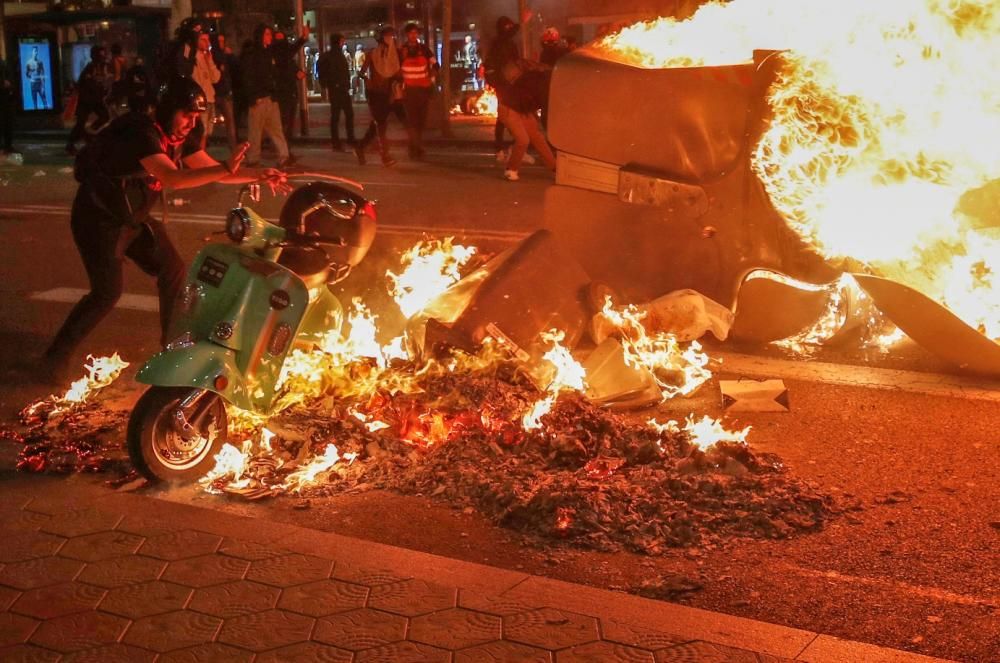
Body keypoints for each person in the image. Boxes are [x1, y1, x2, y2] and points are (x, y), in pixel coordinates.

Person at [39, 78, 288, 383]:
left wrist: (258, 175)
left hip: (131, 219)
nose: (191, 123)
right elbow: (171, 177)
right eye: (186, 115)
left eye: (196, 117)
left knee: (172, 269)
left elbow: (211, 169)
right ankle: (54, 359)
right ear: (169, 109)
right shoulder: (141, 132)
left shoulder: (178, 136)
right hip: (97, 219)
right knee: (106, 292)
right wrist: (226, 168)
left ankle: (172, 349)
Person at [484, 16, 556, 181]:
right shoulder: (499, 48)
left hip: (521, 104)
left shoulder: (531, 78)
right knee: (523, 139)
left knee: (536, 136)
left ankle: (555, 167)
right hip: (509, 105)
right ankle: (511, 168)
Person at [241, 24, 292, 167]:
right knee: (255, 132)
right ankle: (253, 158)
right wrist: (253, 96)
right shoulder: (252, 54)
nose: (270, 37)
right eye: (267, 34)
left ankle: (284, 156)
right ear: (260, 36)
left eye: (270, 34)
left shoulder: (270, 53)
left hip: (271, 97)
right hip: (259, 98)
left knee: (276, 129)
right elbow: (248, 76)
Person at [355, 26, 405, 167]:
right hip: (377, 94)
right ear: (381, 39)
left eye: (391, 36)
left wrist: (398, 81)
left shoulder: (396, 54)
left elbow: (399, 72)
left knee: (380, 124)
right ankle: (385, 155)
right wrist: (368, 80)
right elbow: (362, 72)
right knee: (380, 125)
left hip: (391, 93)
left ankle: (361, 147)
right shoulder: (372, 54)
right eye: (387, 36)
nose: (390, 39)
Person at [399, 23, 437, 160]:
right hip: (409, 91)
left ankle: (416, 146)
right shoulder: (402, 51)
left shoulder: (425, 50)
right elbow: (396, 69)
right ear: (407, 35)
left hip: (423, 90)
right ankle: (415, 148)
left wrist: (431, 78)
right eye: (411, 33)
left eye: (415, 33)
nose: (413, 35)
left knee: (421, 122)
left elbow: (435, 64)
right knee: (412, 121)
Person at [67, 45, 113, 155]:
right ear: (94, 56)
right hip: (86, 100)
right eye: (99, 55)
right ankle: (72, 144)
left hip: (96, 99)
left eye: (103, 54)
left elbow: (105, 81)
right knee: (80, 123)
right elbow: (85, 83)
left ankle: (88, 134)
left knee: (105, 116)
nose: (102, 57)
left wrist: (105, 90)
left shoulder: (103, 67)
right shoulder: (90, 67)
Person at [317, 34, 355, 151]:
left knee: (338, 116)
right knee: (342, 115)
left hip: (337, 88)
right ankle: (345, 140)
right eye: (342, 40)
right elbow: (340, 72)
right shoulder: (335, 55)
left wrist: (327, 84)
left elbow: (322, 71)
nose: (343, 42)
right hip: (339, 89)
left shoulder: (331, 55)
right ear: (338, 41)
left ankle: (339, 141)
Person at [272, 26, 309, 139]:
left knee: (289, 118)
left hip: (290, 90)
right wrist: (303, 38)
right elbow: (291, 51)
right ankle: (283, 145)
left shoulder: (287, 57)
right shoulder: (275, 55)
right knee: (284, 119)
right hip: (281, 91)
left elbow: (291, 64)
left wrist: (297, 73)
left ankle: (286, 144)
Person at [191, 31, 221, 151]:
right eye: (203, 40)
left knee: (207, 132)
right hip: (201, 99)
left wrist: (210, 62)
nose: (207, 43)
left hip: (210, 98)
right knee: (201, 132)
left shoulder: (207, 57)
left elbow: (216, 78)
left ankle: (202, 155)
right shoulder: (194, 58)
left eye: (208, 40)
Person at [212, 33, 239, 152]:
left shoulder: (226, 56)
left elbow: (235, 68)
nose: (221, 44)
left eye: (223, 41)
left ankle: (233, 148)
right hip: (214, 92)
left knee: (230, 121)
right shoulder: (211, 55)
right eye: (219, 41)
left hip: (225, 92)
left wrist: (231, 55)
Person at [0, 56, 16, 154]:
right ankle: (6, 146)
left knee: (7, 122)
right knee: (4, 121)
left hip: (5, 96)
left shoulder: (3, 62)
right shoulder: (3, 62)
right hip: (3, 95)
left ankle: (7, 146)